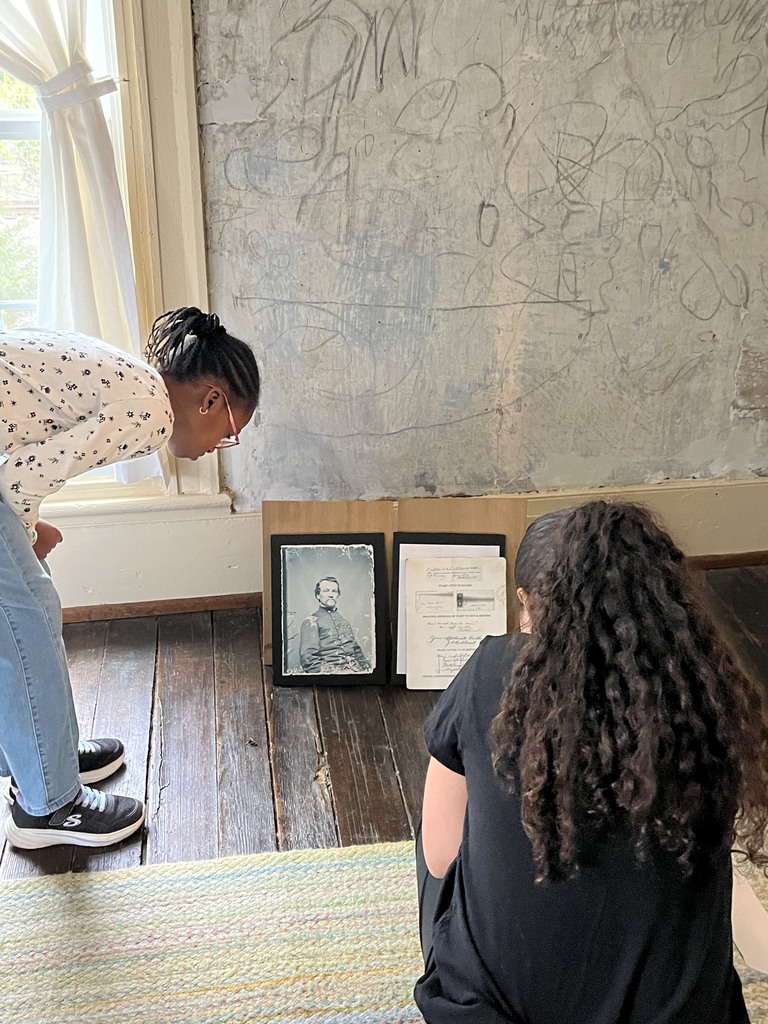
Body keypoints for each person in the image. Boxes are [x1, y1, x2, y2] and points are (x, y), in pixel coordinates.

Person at [415, 501, 768, 1024]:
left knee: (441, 837)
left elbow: (442, 858)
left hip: (490, 1014)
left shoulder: (492, 671)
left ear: (528, 604)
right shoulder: (703, 696)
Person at [0, 307, 260, 850]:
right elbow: (18, 477)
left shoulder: (133, 381)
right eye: (232, 430)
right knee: (26, 619)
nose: (220, 444)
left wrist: (27, 531)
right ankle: (50, 806)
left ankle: (40, 758)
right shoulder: (151, 414)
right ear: (210, 399)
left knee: (26, 614)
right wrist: (28, 534)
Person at [298, 576, 370, 672]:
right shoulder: (311, 621)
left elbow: (357, 651)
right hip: (333, 674)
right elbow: (309, 661)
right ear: (318, 595)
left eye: (334, 591)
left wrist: (367, 671)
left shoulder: (344, 621)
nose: (331, 595)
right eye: (326, 591)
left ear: (338, 595)